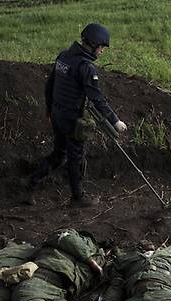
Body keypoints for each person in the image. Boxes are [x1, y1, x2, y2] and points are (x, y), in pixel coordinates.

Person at [29, 22, 127, 207]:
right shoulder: (86, 67)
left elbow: (49, 85)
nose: (102, 51)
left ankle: (32, 183)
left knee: (59, 154)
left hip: (57, 115)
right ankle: (78, 198)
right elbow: (97, 99)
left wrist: (49, 110)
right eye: (101, 47)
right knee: (76, 158)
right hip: (72, 120)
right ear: (93, 44)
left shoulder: (63, 57)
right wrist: (115, 121)